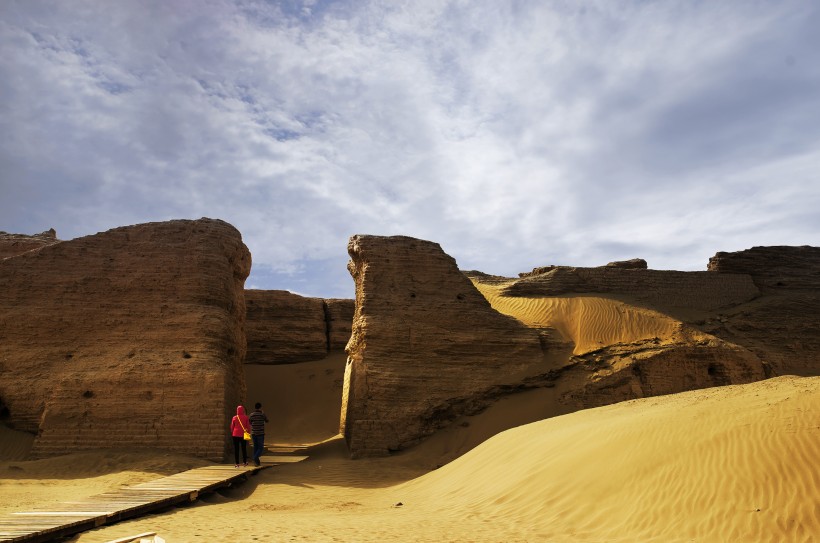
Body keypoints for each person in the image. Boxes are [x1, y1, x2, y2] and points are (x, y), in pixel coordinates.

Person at [248, 402, 269, 466]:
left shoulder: (251, 415)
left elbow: (249, 422)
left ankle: (257, 462)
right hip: (260, 433)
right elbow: (267, 420)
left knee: (255, 447)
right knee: (260, 448)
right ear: (260, 407)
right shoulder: (262, 414)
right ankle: (255, 458)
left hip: (254, 433)